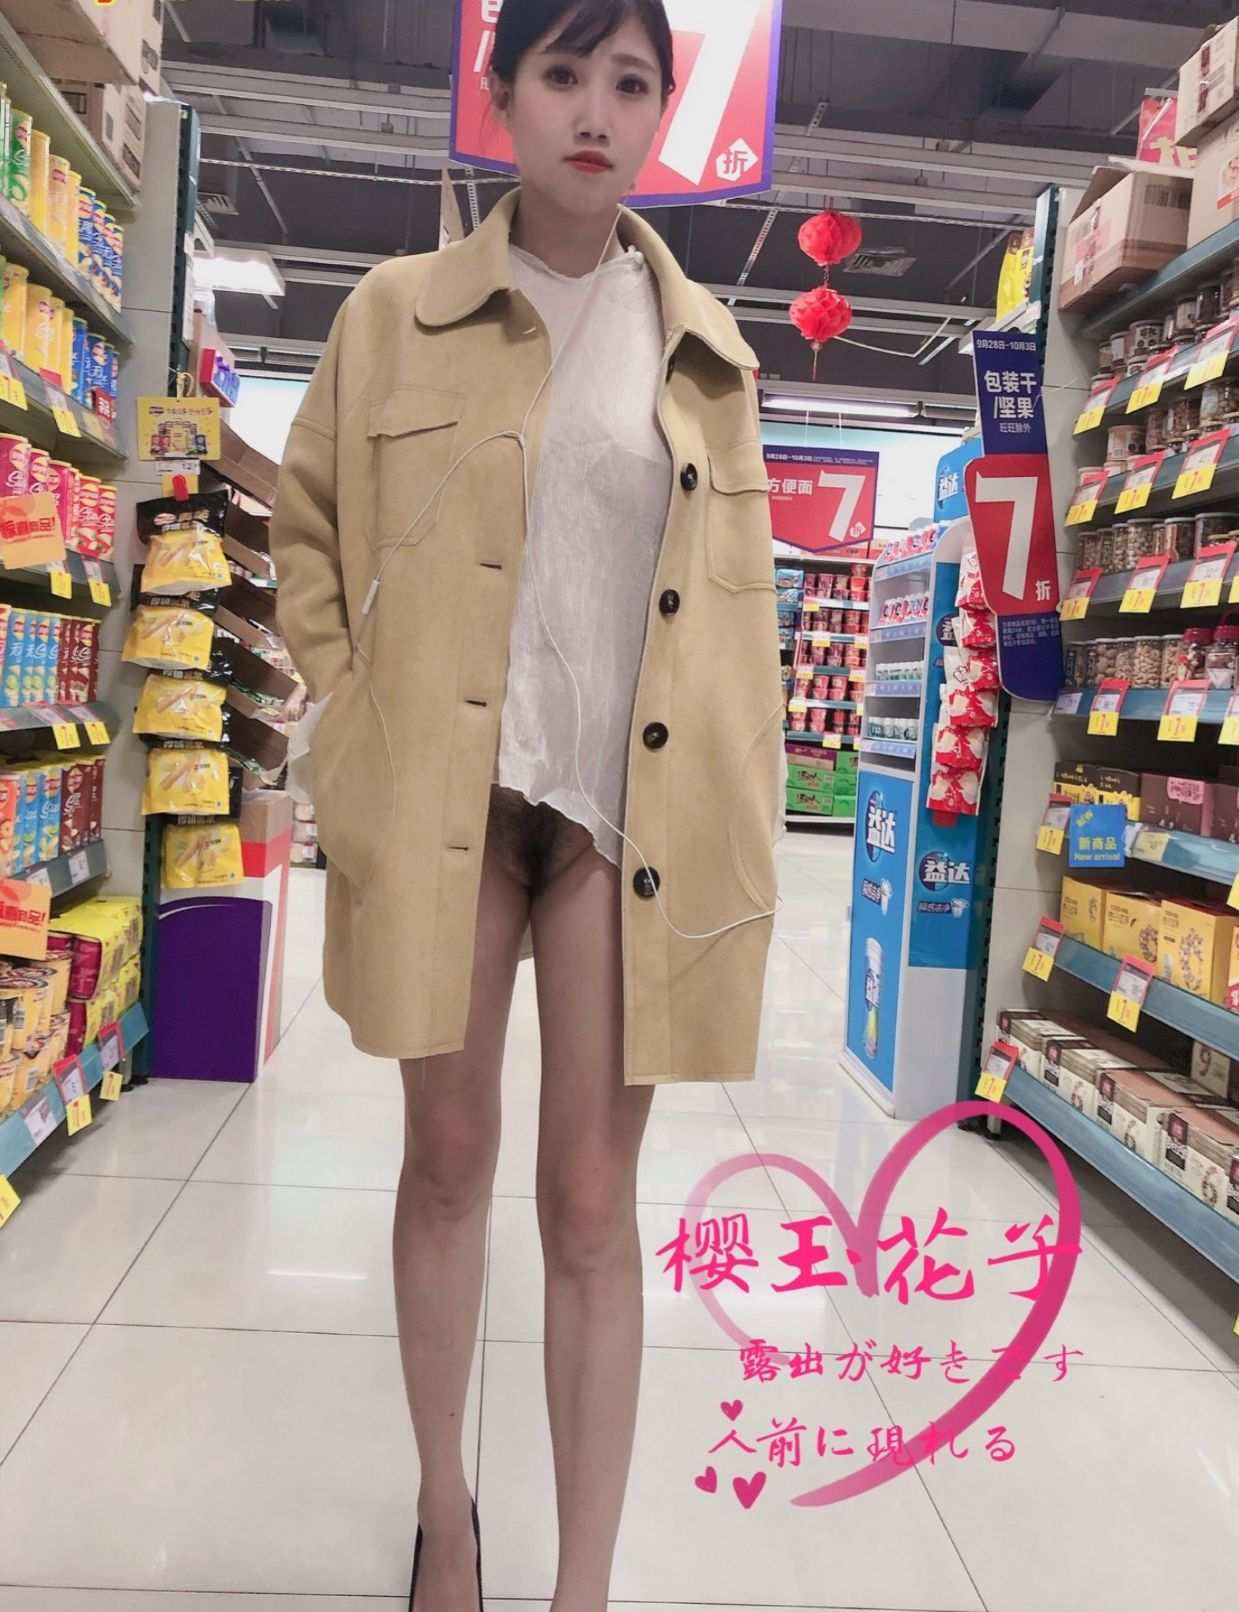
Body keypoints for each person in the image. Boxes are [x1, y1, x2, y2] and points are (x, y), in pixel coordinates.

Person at [269, 1, 784, 1607]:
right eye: (562, 74)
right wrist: (349, 715)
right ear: (501, 95)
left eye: (630, 82)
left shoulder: (706, 354)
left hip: (621, 824)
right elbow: (305, 524)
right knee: (445, 1158)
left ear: (663, 112)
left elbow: (741, 622)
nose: (595, 111)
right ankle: (446, 1510)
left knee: (589, 1206)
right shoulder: (393, 312)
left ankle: (585, 1586)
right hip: (449, 801)